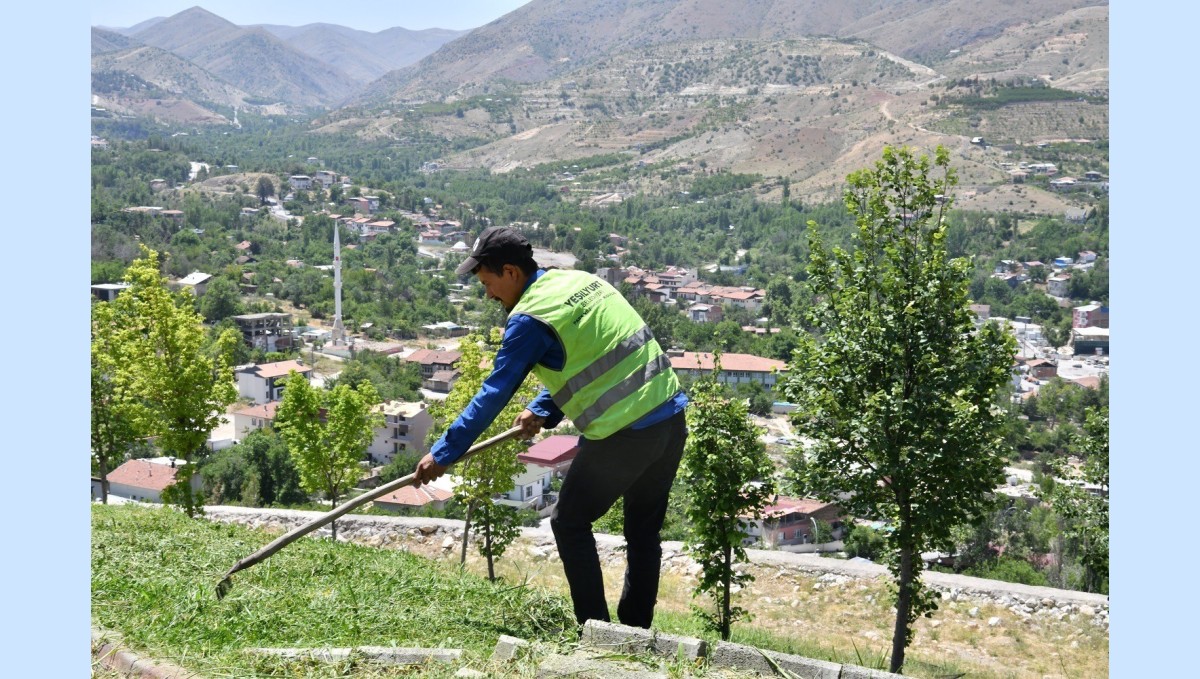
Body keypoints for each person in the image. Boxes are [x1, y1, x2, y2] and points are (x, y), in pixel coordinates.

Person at [413, 226, 688, 628]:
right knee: (643, 533)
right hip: (669, 418)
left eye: (489, 283)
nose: (489, 295)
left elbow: (493, 393)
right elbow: (599, 356)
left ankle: (595, 629)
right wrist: (544, 407)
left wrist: (444, 453)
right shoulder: (579, 282)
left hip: (624, 434)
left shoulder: (530, 318)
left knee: (569, 522)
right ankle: (634, 632)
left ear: (510, 272)